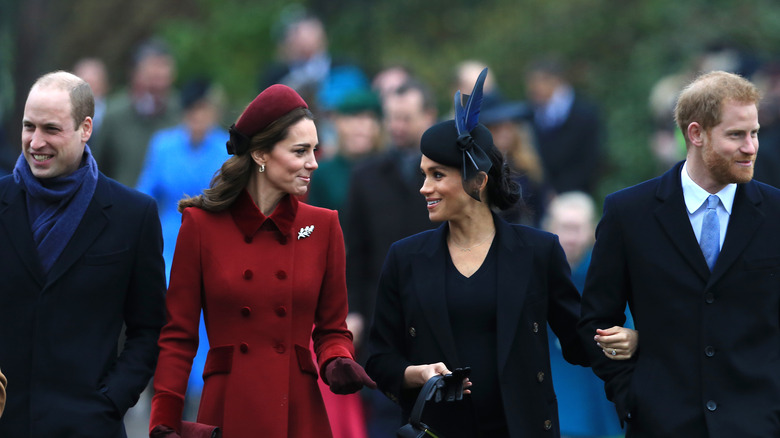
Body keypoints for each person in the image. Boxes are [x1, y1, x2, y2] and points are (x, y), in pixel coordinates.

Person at [366, 69, 635, 438]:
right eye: (423, 174)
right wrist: (419, 374)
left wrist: (629, 344)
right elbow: (380, 358)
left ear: (478, 181)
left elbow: (578, 340)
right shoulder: (405, 258)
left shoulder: (537, 251)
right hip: (439, 430)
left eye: (438, 175)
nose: (424, 187)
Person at [149, 84, 375, 438]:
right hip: (227, 410)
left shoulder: (324, 225)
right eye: (300, 151)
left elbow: (332, 329)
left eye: (315, 150)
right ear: (261, 155)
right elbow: (178, 336)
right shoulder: (200, 226)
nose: (313, 163)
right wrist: (163, 420)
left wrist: (337, 360)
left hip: (299, 412)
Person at [578, 71, 780, 437]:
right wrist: (631, 399)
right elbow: (595, 321)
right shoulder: (628, 213)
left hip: (759, 425)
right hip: (661, 424)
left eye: (754, 133)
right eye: (736, 135)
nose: (751, 147)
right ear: (696, 133)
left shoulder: (777, 212)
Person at [0, 71, 166, 436]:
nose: (36, 142)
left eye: (51, 129)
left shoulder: (132, 215)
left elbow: (150, 327)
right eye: (29, 127)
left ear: (85, 128)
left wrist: (111, 400)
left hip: (88, 425)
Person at [543, 192, 634, 438]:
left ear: (592, 230)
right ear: (548, 227)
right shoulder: (533, 271)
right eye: (564, 227)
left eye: (577, 228)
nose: (571, 238)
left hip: (596, 393)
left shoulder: (606, 272)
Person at [92, 39, 181, 187]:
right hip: (123, 203)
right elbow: (98, 169)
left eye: (163, 80)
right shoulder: (114, 115)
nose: (157, 89)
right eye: (152, 80)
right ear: (135, 75)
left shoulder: (182, 113)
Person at [525, 56, 604, 196]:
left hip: (577, 194)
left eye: (538, 82)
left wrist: (562, 191)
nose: (533, 88)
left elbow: (590, 160)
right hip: (540, 196)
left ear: (556, 81)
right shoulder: (530, 113)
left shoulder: (584, 113)